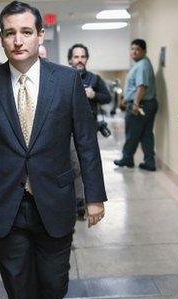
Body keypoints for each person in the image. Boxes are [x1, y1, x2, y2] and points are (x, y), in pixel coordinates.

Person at [0, 2, 107, 299]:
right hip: (4, 205)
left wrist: (95, 195)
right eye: (10, 33)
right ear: (1, 39)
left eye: (26, 32)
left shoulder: (66, 80)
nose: (18, 40)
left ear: (40, 35)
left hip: (54, 202)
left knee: (52, 283)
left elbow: (86, 142)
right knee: (19, 292)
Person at [67, 43, 112, 218]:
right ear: (70, 59)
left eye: (82, 57)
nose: (79, 60)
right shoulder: (65, 78)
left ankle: (84, 201)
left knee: (87, 164)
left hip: (88, 130)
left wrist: (94, 95)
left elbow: (107, 98)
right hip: (68, 130)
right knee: (75, 165)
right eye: (76, 57)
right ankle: (77, 201)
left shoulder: (94, 79)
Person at [114, 38, 158, 171]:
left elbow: (142, 86)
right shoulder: (142, 63)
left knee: (132, 133)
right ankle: (149, 162)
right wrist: (127, 98)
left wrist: (135, 103)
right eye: (132, 49)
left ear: (144, 51)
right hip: (148, 103)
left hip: (141, 104)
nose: (134, 52)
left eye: (137, 49)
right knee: (146, 134)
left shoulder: (142, 65)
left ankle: (127, 158)